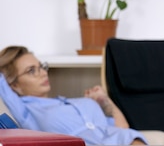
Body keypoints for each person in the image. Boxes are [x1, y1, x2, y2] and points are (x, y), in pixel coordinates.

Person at [0, 45, 147, 145]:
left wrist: (106, 103)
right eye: (31, 71)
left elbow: (123, 129)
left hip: (120, 140)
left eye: (41, 67)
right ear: (14, 85)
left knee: (133, 138)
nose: (43, 73)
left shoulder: (74, 101)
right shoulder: (26, 111)